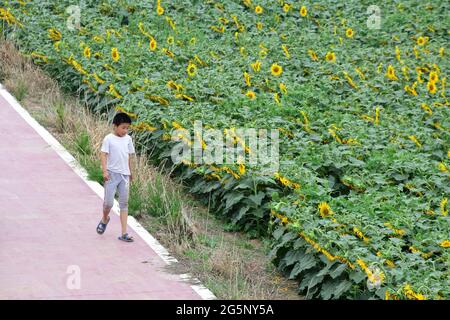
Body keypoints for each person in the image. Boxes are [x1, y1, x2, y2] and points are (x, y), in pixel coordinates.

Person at [96, 112, 135, 242]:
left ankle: (124, 233)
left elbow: (130, 156)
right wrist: (104, 171)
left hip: (124, 175)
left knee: (124, 204)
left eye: (127, 128)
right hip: (112, 175)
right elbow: (103, 154)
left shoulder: (128, 139)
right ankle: (105, 218)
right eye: (123, 127)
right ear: (115, 126)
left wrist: (131, 172)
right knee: (108, 203)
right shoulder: (108, 139)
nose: (125, 130)